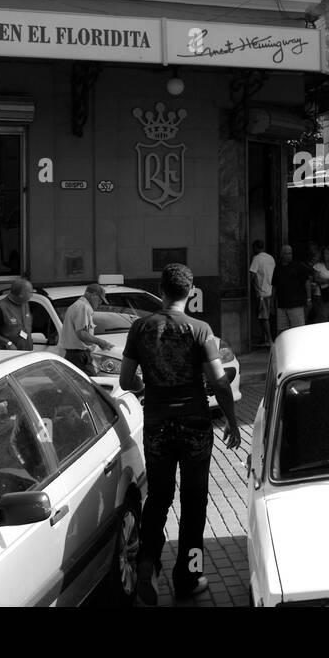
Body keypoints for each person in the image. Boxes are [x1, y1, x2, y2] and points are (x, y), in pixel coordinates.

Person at [119, 263, 240, 605]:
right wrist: (231, 420)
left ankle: (146, 564)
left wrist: (147, 385)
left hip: (157, 422)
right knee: (195, 500)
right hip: (195, 424)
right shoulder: (200, 330)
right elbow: (218, 382)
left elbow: (128, 382)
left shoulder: (140, 328)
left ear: (161, 289)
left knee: (158, 498)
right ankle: (188, 576)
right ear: (191, 291)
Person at [59, 283, 114, 376]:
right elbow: (82, 334)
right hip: (79, 356)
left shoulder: (79, 306)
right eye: (100, 299)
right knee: (92, 385)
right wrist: (101, 342)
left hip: (76, 355)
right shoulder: (83, 307)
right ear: (93, 295)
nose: (100, 303)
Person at [0, 278, 35, 351]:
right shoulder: (1, 307)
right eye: (30, 292)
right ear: (21, 294)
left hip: (25, 354)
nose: (32, 295)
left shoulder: (25, 304)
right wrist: (8, 343)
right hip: (8, 354)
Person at [272, 245, 310, 331]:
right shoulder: (277, 268)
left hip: (296, 305)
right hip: (282, 305)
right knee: (283, 330)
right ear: (282, 255)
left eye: (291, 253)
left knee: (298, 330)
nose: (290, 255)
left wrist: (309, 299)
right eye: (287, 253)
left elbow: (306, 281)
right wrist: (272, 302)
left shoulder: (298, 266)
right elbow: (274, 286)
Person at [248, 240, 275, 346]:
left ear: (255, 248)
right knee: (268, 316)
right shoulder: (270, 258)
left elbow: (252, 274)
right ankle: (266, 338)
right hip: (271, 290)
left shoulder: (256, 259)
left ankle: (269, 340)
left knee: (264, 317)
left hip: (262, 292)